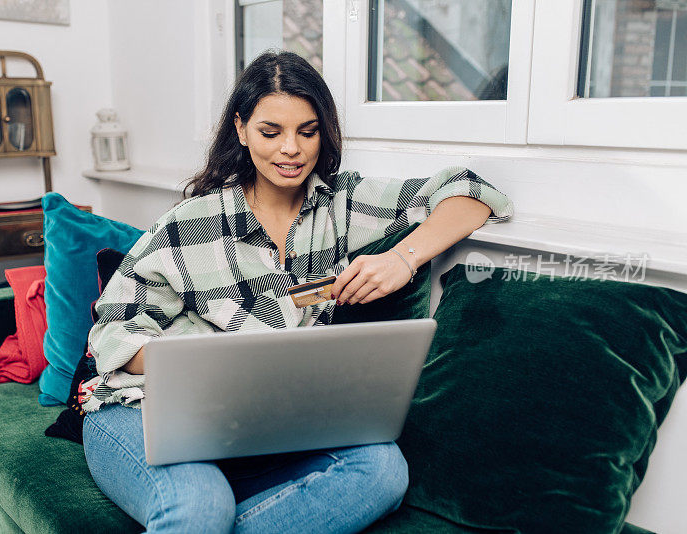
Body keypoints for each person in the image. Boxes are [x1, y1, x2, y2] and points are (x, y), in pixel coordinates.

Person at [81, 50, 513, 533]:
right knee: (200, 507)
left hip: (269, 420)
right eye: (271, 132)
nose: (292, 149)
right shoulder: (190, 223)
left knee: (383, 469)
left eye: (307, 132)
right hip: (140, 408)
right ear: (241, 130)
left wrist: (402, 258)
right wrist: (204, 361)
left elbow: (473, 193)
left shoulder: (342, 206)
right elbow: (111, 335)